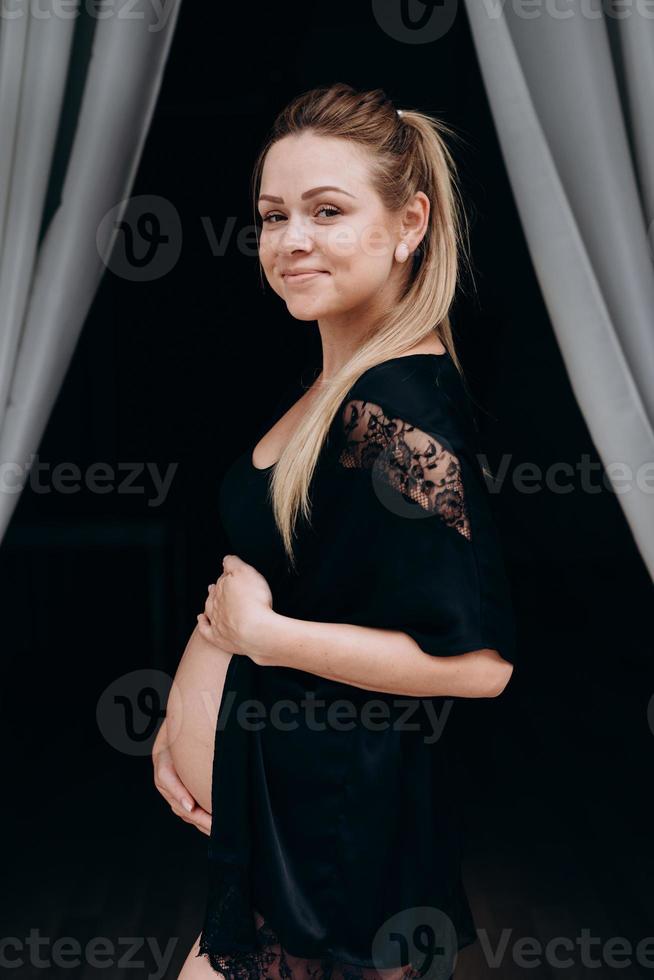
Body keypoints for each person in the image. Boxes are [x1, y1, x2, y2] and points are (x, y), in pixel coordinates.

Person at [153, 82, 517, 980]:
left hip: (330, 847)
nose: (291, 240)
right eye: (274, 216)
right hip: (281, 821)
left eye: (327, 210)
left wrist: (261, 637)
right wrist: (182, 732)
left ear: (409, 223)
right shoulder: (341, 389)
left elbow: (480, 667)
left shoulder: (399, 414)